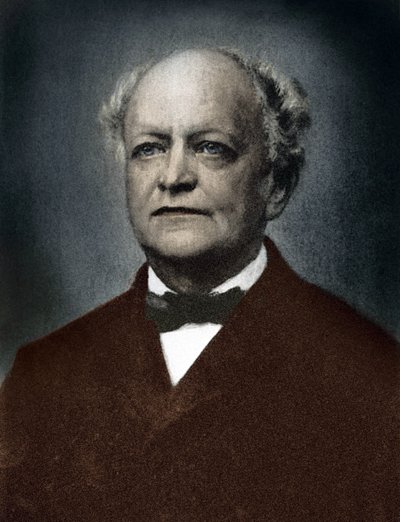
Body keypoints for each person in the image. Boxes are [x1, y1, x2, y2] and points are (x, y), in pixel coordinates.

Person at [0, 48, 398, 521]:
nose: (173, 177)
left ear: (277, 185)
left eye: (210, 147)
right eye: (149, 149)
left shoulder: (372, 378)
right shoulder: (41, 376)